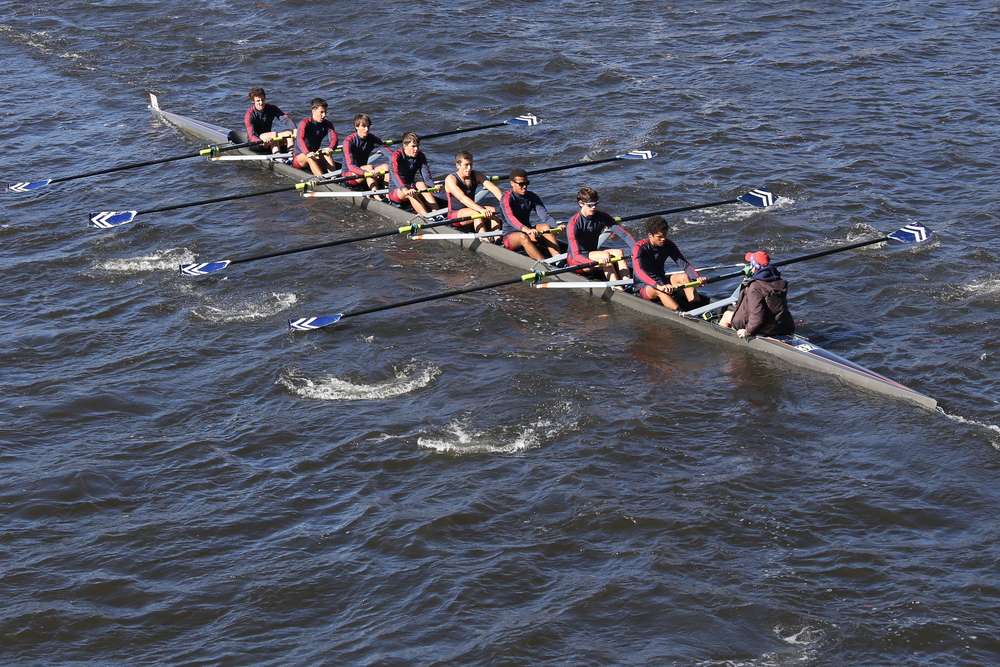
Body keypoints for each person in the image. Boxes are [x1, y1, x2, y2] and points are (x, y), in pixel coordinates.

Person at [631, 216, 707, 311]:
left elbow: (685, 265)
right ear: (650, 235)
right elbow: (639, 272)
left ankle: (698, 309)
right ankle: (680, 313)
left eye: (665, 235)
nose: (663, 239)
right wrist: (658, 286)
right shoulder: (639, 248)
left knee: (684, 277)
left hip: (662, 281)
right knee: (658, 290)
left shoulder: (668, 244)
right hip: (644, 286)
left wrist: (697, 278)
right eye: (659, 237)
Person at [720, 251, 795, 338]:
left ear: (754, 266)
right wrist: (750, 277)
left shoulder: (755, 287)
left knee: (726, 315)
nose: (749, 266)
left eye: (750, 264)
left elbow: (757, 316)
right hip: (783, 325)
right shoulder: (780, 282)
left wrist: (747, 331)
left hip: (762, 328)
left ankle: (724, 338)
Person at [565, 186, 628, 280]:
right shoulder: (573, 223)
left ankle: (628, 284)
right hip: (576, 260)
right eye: (590, 205)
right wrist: (593, 263)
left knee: (619, 253)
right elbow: (576, 255)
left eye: (596, 204)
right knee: (605, 256)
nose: (594, 207)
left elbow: (624, 234)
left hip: (592, 254)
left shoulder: (601, 216)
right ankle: (616, 287)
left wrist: (636, 249)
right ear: (581, 203)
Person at [498, 168, 562, 260]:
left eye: (526, 183)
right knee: (523, 236)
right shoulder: (506, 198)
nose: (525, 186)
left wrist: (556, 227)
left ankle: (558, 259)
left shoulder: (532, 196)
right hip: (510, 236)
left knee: (546, 227)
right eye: (521, 184)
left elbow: (545, 216)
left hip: (528, 231)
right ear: (512, 183)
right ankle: (543, 264)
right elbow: (510, 218)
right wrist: (526, 230)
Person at [444, 151, 503, 236]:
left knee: (493, 210)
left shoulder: (477, 175)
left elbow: (493, 188)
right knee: (478, 213)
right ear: (458, 165)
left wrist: (505, 203)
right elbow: (462, 198)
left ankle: (497, 238)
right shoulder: (450, 179)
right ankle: (484, 239)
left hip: (472, 209)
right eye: (466, 165)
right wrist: (481, 209)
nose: (469, 168)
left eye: (471, 164)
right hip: (454, 215)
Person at [386, 132, 438, 214]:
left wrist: (433, 187)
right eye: (413, 146)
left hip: (410, 186)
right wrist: (404, 189)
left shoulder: (420, 156)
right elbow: (395, 174)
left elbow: (426, 176)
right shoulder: (396, 156)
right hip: (396, 190)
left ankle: (436, 213)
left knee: (421, 184)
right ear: (405, 146)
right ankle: (426, 216)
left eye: (417, 146)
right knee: (410, 192)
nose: (416, 149)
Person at [293, 97, 339, 177]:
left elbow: (334, 138)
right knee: (309, 157)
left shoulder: (328, 124)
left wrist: (330, 148)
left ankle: (334, 178)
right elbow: (300, 139)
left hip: (314, 155)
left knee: (326, 153)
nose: (324, 115)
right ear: (313, 111)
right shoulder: (305, 123)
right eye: (321, 112)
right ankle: (321, 180)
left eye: (325, 112)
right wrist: (307, 153)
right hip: (300, 158)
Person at [341, 113, 388, 191]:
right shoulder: (348, 141)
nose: (367, 129)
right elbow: (351, 166)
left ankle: (388, 194)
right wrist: (365, 173)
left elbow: (385, 149)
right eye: (364, 126)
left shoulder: (371, 138)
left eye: (368, 126)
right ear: (356, 126)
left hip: (364, 171)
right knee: (369, 168)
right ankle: (377, 196)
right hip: (348, 175)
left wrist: (396, 160)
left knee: (386, 167)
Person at [243, 87, 295, 154]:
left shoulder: (271, 108)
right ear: (253, 101)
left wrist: (295, 129)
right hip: (256, 142)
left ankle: (291, 153)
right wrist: (261, 141)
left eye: (262, 100)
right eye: (258, 101)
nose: (261, 103)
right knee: (274, 135)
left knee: (289, 133)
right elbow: (251, 136)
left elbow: (285, 119)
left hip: (270, 138)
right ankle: (277, 156)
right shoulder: (249, 115)